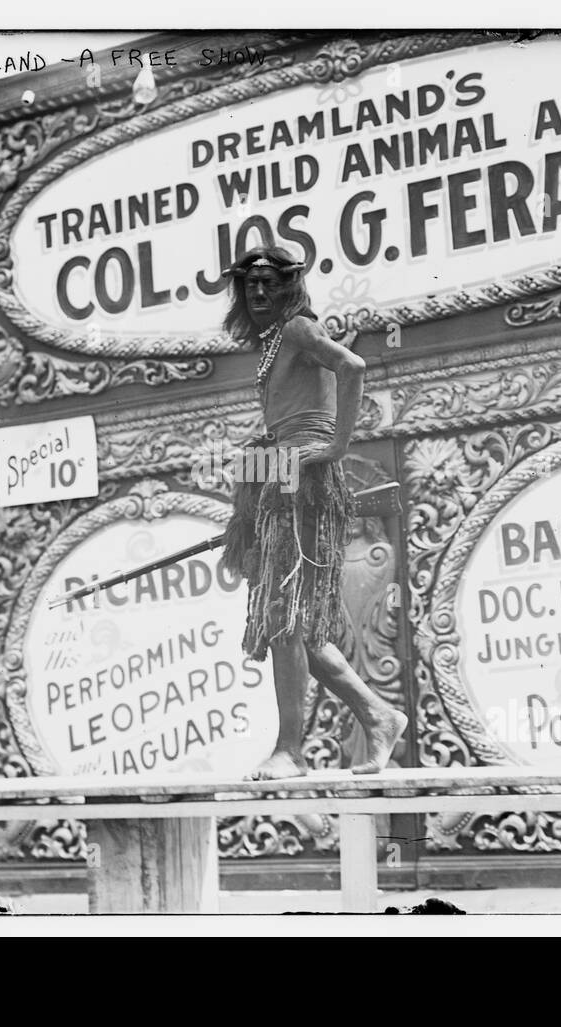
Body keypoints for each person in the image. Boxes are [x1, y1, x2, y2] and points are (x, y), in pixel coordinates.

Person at [219, 245, 408, 780]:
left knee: (286, 620)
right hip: (280, 472)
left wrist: (336, 446)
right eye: (249, 285)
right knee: (296, 625)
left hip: (304, 474)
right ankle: (378, 716)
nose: (258, 294)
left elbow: (353, 365)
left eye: (268, 284)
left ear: (288, 286)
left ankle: (290, 751)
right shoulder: (276, 340)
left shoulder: (300, 328)